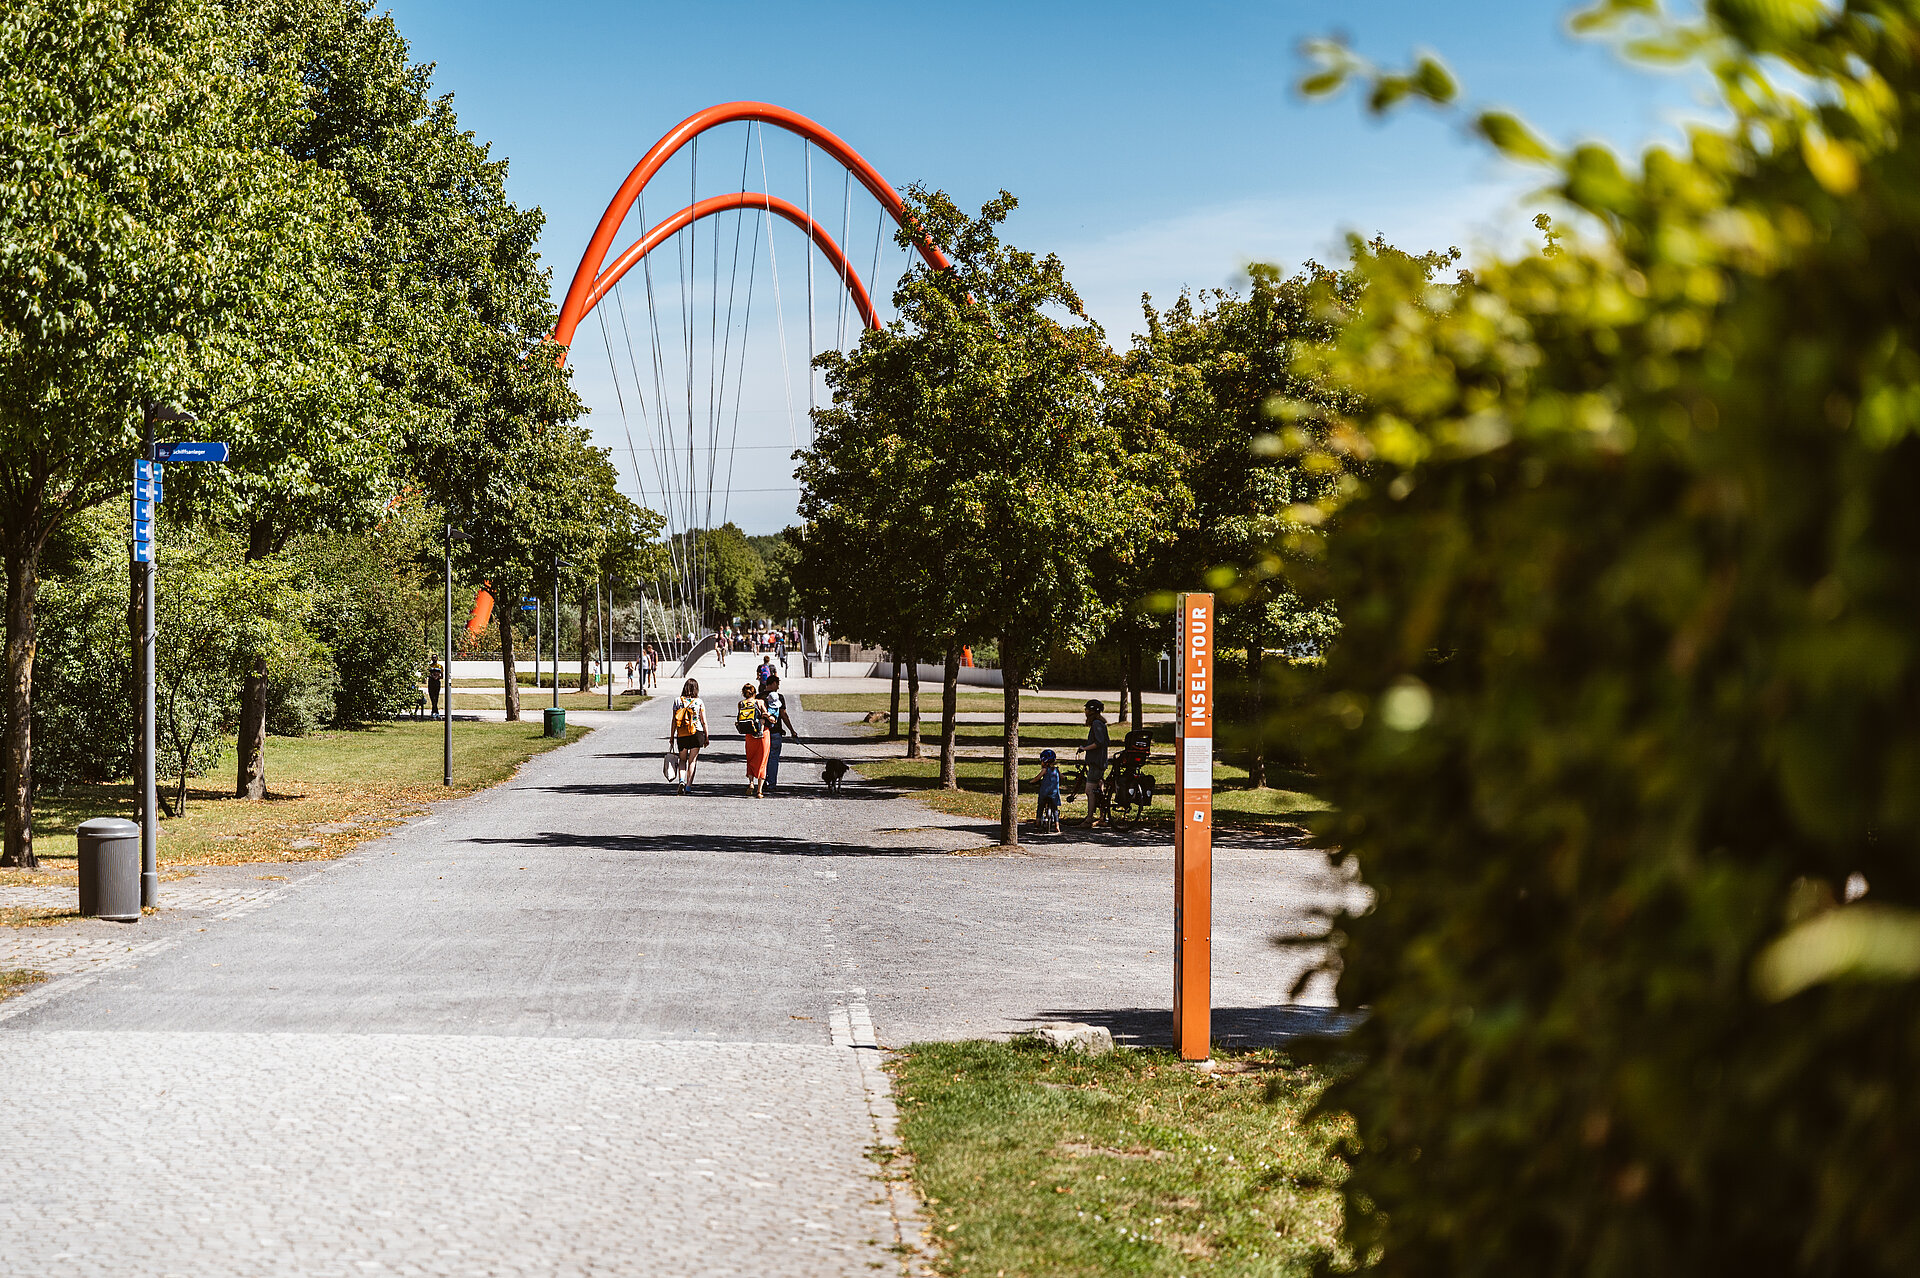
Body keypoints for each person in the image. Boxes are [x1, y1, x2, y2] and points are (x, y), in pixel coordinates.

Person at [760, 675, 799, 793]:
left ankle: (761, 781)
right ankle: (771, 783)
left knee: (763, 758)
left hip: (762, 733)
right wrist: (792, 730)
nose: (778, 686)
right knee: (773, 758)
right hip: (775, 732)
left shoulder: (758, 697)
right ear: (772, 683)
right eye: (777, 684)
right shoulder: (779, 697)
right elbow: (783, 715)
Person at [1075, 699, 1111, 827]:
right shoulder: (1101, 723)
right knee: (1099, 790)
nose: (1085, 711)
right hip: (1100, 762)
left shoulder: (1096, 724)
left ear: (1091, 711)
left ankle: (1089, 818)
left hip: (1096, 763)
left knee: (1089, 790)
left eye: (1086, 709)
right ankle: (1102, 817)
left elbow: (1099, 742)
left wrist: (1084, 748)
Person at [670, 679, 709, 794]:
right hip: (696, 733)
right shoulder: (699, 702)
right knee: (692, 761)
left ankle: (681, 780)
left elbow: (674, 720)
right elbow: (704, 721)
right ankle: (688, 786)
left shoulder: (677, 701)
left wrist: (672, 736)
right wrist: (707, 736)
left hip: (682, 733)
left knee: (682, 760)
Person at [736, 682, 770, 796]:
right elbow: (765, 713)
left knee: (750, 759)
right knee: (762, 761)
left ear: (744, 693)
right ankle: (759, 791)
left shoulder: (741, 704)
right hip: (762, 735)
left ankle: (751, 782)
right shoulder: (759, 702)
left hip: (749, 735)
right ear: (754, 693)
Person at [1035, 748, 1062, 834]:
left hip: (1045, 792)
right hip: (1054, 793)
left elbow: (1037, 778)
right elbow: (1062, 777)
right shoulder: (1056, 770)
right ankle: (1057, 826)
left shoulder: (1044, 770)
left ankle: (1038, 821)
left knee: (1041, 806)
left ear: (1044, 761)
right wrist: (1064, 778)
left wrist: (1031, 782)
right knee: (1055, 810)